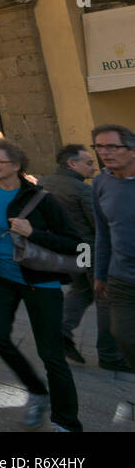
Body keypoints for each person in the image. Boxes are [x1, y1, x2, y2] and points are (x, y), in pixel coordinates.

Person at [0, 138, 84, 432]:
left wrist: (35, 233)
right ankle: (36, 391)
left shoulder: (42, 199)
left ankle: (66, 422)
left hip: (39, 283)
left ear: (16, 165)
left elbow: (77, 246)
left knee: (51, 355)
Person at [38, 144, 123, 369]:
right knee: (106, 300)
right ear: (72, 164)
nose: (94, 168)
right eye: (88, 163)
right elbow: (100, 227)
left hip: (66, 251)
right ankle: (110, 355)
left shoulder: (44, 182)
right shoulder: (82, 190)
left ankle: (61, 332)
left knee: (82, 291)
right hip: (89, 252)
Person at [92, 124, 135, 372]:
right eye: (99, 146)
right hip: (120, 277)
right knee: (124, 336)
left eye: (112, 146)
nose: (104, 152)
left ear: (132, 150)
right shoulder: (101, 183)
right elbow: (103, 232)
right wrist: (99, 273)